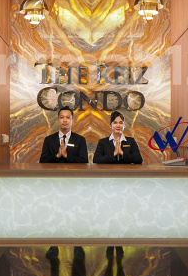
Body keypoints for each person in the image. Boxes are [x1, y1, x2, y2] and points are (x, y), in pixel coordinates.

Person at [39, 106, 88, 260]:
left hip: (74, 184)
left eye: (68, 117)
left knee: (75, 214)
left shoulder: (80, 140)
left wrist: (67, 156)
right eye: (62, 117)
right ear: (58, 120)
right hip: (55, 184)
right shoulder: (49, 140)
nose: (65, 120)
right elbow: (43, 161)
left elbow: (84, 161)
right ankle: (53, 246)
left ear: (72, 120)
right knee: (55, 214)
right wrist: (57, 155)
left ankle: (78, 246)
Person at [93, 110, 143, 258]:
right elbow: (96, 160)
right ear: (110, 125)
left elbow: (138, 160)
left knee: (121, 214)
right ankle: (110, 244)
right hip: (108, 185)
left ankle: (119, 244)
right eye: (115, 122)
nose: (118, 125)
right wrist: (113, 154)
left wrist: (122, 153)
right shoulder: (103, 142)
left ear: (124, 125)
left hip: (125, 185)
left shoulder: (131, 141)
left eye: (121, 122)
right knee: (109, 214)